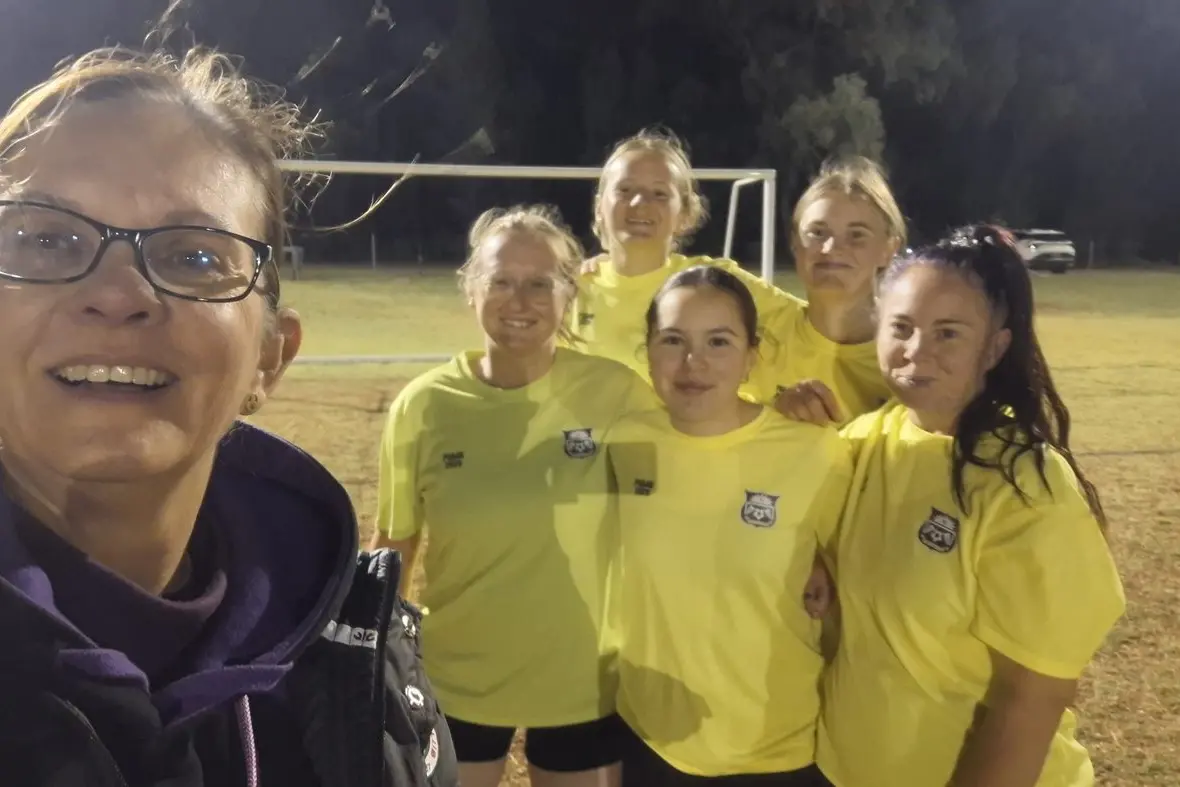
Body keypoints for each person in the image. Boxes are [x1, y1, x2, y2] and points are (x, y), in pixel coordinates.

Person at [0, 46, 457, 787]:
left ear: (269, 359)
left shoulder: (353, 657)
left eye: (196, 257)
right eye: (46, 239)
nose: (118, 293)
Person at [787, 226, 1125, 787]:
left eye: (948, 333)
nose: (917, 351)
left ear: (994, 346)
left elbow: (1031, 701)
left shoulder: (1027, 487)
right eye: (901, 327)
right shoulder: (866, 440)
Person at [369, 205, 656, 787]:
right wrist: (382, 662)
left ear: (569, 294)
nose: (519, 300)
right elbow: (394, 545)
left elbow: (687, 491)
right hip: (458, 675)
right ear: (471, 289)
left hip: (587, 680)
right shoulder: (423, 407)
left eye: (539, 284)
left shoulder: (617, 393)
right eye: (500, 280)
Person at [605, 265, 850, 787]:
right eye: (673, 340)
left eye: (719, 341)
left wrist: (824, 562)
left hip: (776, 751)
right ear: (647, 351)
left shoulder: (816, 450)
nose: (693, 363)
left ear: (751, 357)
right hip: (649, 740)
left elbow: (857, 575)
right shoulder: (623, 443)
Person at [569, 127, 803, 387]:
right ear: (599, 207)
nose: (639, 203)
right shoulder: (571, 289)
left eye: (659, 194)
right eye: (624, 190)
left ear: (684, 213)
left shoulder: (717, 283)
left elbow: (809, 329)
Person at [755, 156, 903, 424]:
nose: (831, 248)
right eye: (817, 232)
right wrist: (771, 413)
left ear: (888, 249)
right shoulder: (759, 326)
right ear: (795, 244)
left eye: (857, 235)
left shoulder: (908, 358)